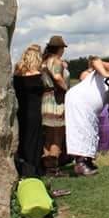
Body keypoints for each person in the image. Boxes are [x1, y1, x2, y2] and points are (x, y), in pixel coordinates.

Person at [64, 56, 109, 176]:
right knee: (82, 131)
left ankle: (87, 161)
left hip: (89, 108)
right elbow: (95, 60)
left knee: (90, 132)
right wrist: (105, 73)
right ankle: (80, 163)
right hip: (80, 102)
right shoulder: (101, 73)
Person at [13, 44, 46, 178]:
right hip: (34, 111)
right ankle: (33, 168)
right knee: (35, 139)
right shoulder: (38, 75)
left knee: (23, 138)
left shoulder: (17, 74)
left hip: (21, 110)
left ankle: (22, 166)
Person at [40, 35, 69, 176]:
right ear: (60, 48)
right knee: (58, 134)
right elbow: (57, 77)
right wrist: (67, 91)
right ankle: (54, 168)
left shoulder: (44, 62)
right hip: (56, 100)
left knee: (48, 136)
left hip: (45, 99)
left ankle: (47, 167)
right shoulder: (55, 61)